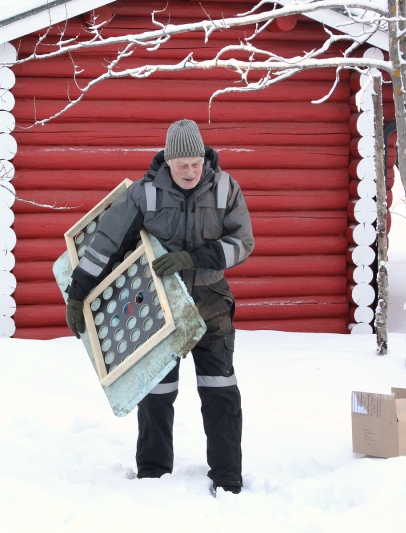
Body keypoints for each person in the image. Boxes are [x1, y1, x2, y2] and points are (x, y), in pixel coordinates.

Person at [65, 119, 254, 494]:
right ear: (168, 161)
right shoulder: (143, 194)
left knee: (220, 389)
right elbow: (105, 244)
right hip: (156, 304)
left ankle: (227, 476)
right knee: (156, 390)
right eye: (181, 164)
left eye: (195, 163)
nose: (189, 171)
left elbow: (242, 242)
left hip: (210, 300)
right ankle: (153, 472)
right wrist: (77, 294)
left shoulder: (225, 188)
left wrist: (194, 258)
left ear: (204, 158)